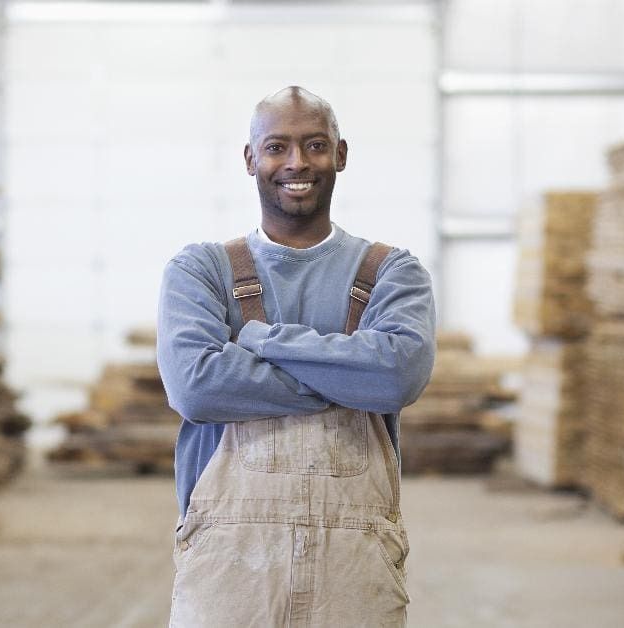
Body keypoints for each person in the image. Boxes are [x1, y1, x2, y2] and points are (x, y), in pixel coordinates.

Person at [156, 86, 436, 627]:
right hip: (229, 567)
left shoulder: (392, 272)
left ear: (342, 154)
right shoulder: (200, 270)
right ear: (250, 159)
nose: (297, 163)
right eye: (277, 147)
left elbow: (398, 375)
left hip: (355, 567)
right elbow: (196, 387)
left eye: (314, 145)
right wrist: (350, 378)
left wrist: (261, 340)